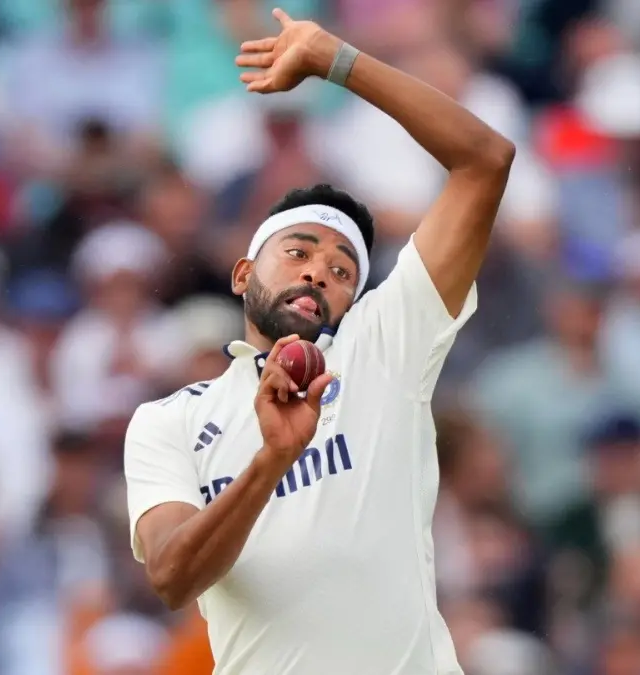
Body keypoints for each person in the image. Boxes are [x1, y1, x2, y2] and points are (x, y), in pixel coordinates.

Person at [124, 8, 515, 675]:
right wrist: (272, 460)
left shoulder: (383, 341)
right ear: (242, 274)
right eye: (298, 252)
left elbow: (486, 160)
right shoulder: (169, 420)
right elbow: (172, 576)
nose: (317, 272)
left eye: (342, 271)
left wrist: (339, 60)